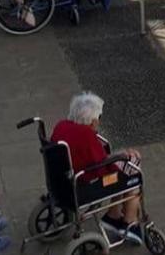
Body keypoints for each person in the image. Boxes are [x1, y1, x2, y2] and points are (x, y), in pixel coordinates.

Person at [50, 92, 145, 245]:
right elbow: (103, 164)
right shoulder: (86, 134)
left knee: (125, 166)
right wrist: (124, 157)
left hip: (64, 180)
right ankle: (129, 221)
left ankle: (114, 214)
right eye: (99, 117)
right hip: (86, 182)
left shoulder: (62, 125)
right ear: (93, 121)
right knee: (134, 169)